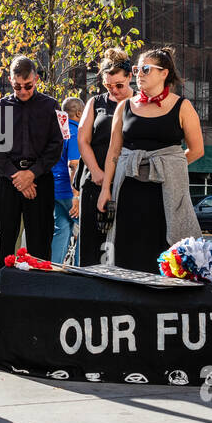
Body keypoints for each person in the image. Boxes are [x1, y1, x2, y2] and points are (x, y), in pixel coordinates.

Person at [97, 47, 203, 272]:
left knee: (164, 249)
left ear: (164, 73)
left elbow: (196, 150)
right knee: (127, 249)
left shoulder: (182, 106)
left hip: (165, 191)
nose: (139, 74)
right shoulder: (124, 106)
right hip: (128, 190)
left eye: (145, 69)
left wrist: (168, 167)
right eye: (137, 69)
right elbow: (113, 152)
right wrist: (105, 189)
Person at [0, 56, 63, 268]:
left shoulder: (50, 106)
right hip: (8, 179)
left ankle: (41, 291)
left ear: (36, 79)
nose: (23, 91)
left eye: (27, 86)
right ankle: (2, 290)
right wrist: (18, 178)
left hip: (40, 180)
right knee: (5, 240)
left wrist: (32, 174)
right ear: (11, 81)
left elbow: (56, 146)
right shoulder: (1, 107)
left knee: (40, 240)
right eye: (17, 86)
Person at [76, 48, 133, 266]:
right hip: (94, 179)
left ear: (130, 77)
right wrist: (98, 173)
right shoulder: (95, 102)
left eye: (119, 85)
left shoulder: (138, 103)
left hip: (125, 180)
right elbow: (83, 140)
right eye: (109, 86)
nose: (115, 91)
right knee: (92, 243)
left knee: (121, 242)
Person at [51, 97, 83, 264]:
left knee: (62, 230)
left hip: (55, 189)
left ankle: (54, 269)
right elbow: (74, 164)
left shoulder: (58, 132)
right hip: (69, 191)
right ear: (79, 113)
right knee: (85, 229)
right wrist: (76, 195)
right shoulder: (76, 131)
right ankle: (80, 272)